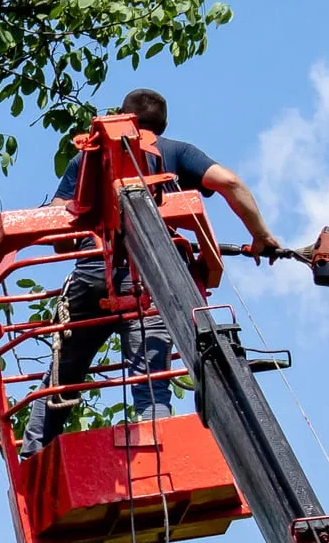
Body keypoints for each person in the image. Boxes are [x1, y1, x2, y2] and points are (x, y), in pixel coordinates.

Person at [19, 88, 281, 458]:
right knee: (151, 379)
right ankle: (161, 459)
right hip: (151, 281)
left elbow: (61, 229)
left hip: (93, 273)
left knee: (64, 374)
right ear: (164, 125)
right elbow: (230, 183)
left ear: (120, 116)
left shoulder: (88, 157)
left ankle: (33, 457)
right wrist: (260, 236)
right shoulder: (178, 152)